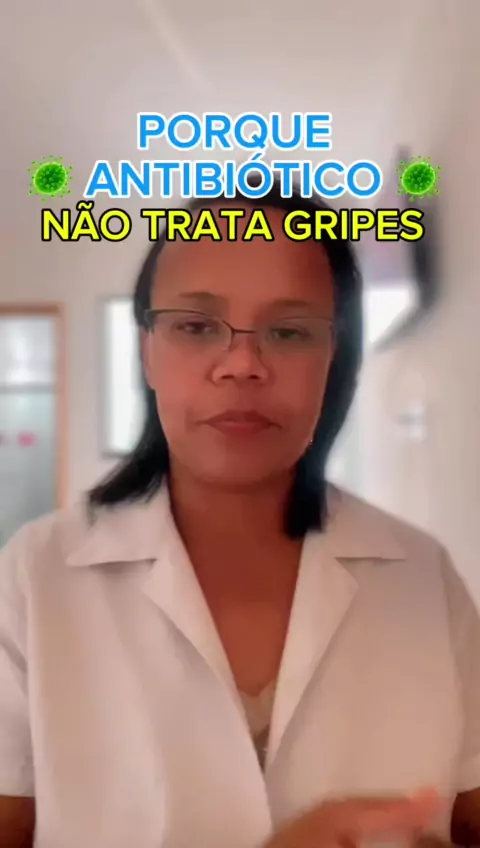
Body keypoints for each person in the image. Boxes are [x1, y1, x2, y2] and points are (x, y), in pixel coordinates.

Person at [0, 182, 479, 848]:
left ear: (334, 359)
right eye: (196, 326)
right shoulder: (32, 580)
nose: (243, 365)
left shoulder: (423, 577)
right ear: (146, 350)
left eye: (290, 331)